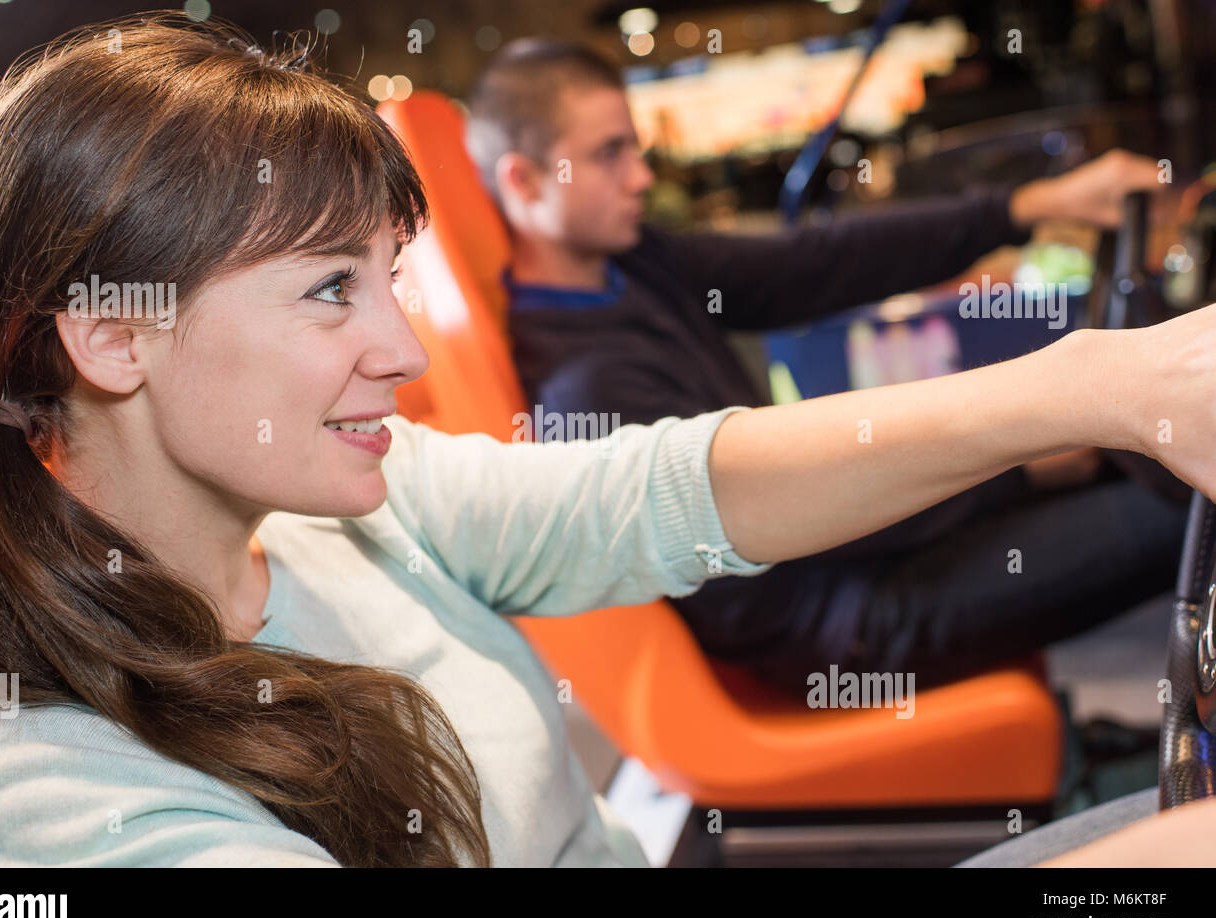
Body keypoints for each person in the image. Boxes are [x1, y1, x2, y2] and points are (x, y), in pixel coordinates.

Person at [0, 13, 1216, 868]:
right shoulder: (64, 799)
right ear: (112, 338)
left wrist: (1080, 388)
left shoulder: (346, 504)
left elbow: (657, 485)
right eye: (329, 289)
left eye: (390, 281)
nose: (409, 353)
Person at [465, 37, 1190, 694]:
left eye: (636, 148)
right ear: (525, 183)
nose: (641, 177)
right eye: (608, 155)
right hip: (845, 621)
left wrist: (1030, 204)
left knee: (1140, 466)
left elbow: (819, 263)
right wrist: (1017, 466)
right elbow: (781, 518)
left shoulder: (633, 264)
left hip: (859, 551)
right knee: (1193, 513)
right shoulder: (587, 385)